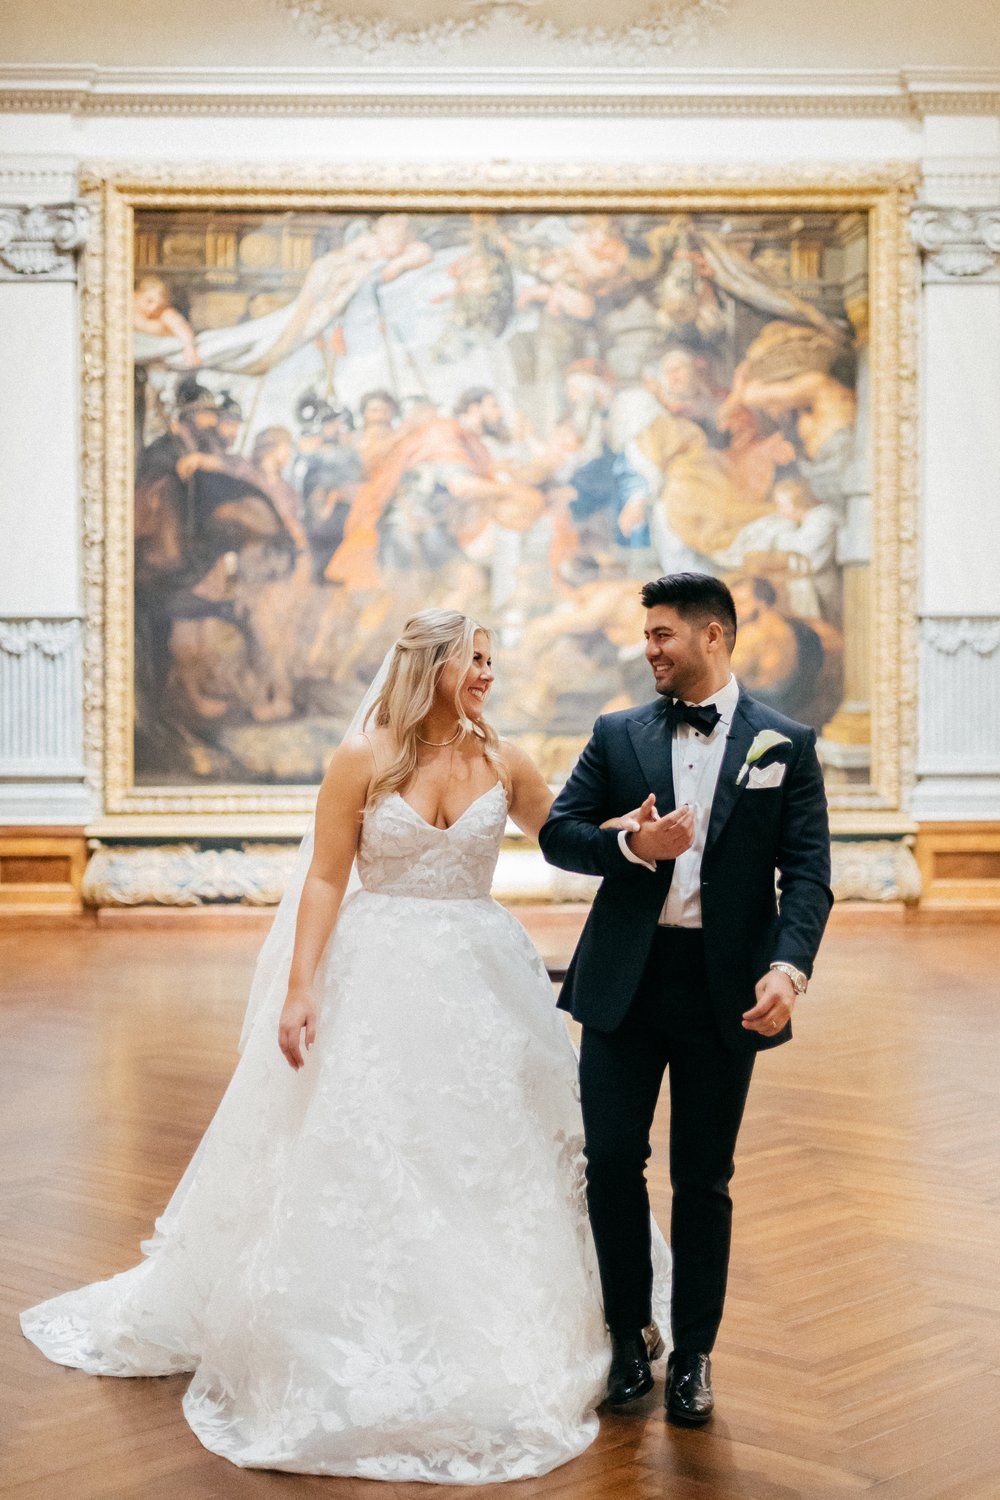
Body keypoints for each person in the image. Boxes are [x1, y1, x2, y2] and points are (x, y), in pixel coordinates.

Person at [20, 609, 670, 1483]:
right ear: (432, 664)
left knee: (490, 1149)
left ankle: (510, 1314)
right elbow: (326, 875)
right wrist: (300, 988)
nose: (488, 673)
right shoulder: (362, 760)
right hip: (377, 975)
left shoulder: (503, 759)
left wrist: (631, 835)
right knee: (369, 1143)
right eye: (474, 659)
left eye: (489, 660)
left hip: (483, 978)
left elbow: (564, 838)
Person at [539, 572, 832, 1427]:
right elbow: (559, 833)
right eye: (647, 635)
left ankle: (696, 1355)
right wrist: (631, 843)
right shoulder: (618, 733)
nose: (648, 649)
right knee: (611, 1165)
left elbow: (808, 874)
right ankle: (630, 1337)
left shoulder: (786, 742)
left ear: (714, 636)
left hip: (726, 991)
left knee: (704, 1178)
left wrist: (789, 969)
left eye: (663, 634)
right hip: (624, 984)